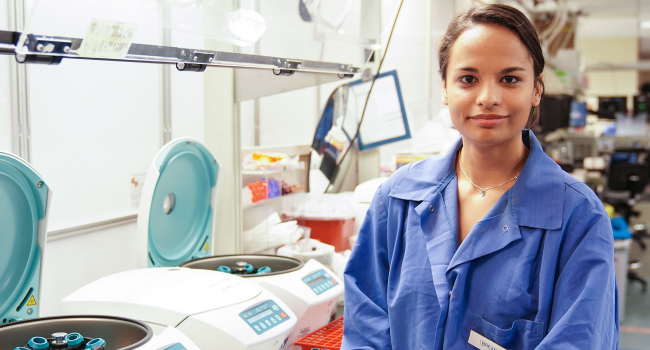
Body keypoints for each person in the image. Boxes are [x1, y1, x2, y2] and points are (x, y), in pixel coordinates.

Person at [342, 4, 618, 350]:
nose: (488, 98)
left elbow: (579, 340)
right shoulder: (396, 199)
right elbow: (365, 332)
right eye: (468, 79)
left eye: (510, 79)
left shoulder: (578, 216)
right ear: (445, 87)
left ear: (536, 89)